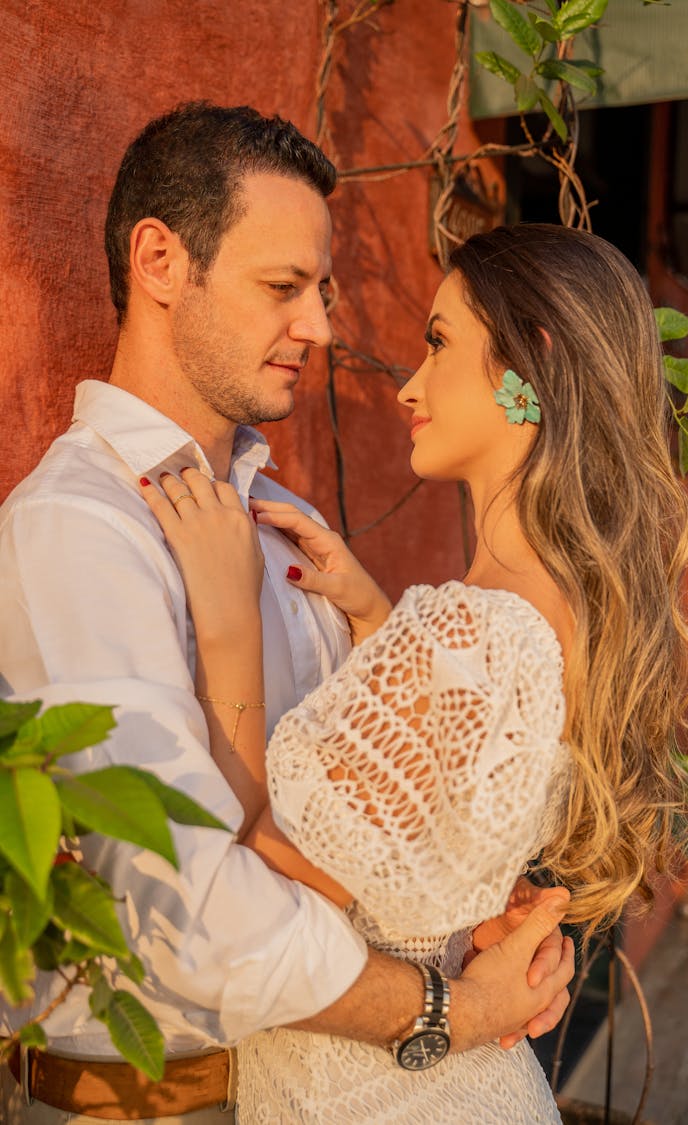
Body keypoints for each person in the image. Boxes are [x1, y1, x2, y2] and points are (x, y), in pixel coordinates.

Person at [0, 103, 575, 1124]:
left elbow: (358, 842)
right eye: (282, 288)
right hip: (147, 1104)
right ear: (161, 261)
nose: (319, 326)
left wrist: (472, 916)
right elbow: (184, 908)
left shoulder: (290, 525)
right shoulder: (77, 532)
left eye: (322, 290)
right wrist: (450, 1004)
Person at [141, 221, 688, 1122]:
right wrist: (378, 616)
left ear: (534, 361)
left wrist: (226, 614)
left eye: (440, 343)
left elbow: (260, 862)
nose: (409, 384)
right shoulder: (561, 601)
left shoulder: (477, 629)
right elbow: (438, 820)